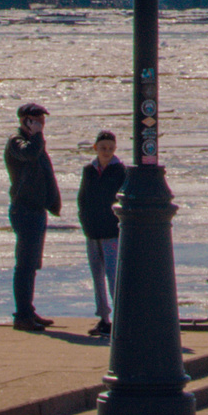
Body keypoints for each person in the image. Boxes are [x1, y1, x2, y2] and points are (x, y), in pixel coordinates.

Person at [4, 102, 62, 330]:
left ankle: (28, 310)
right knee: (25, 264)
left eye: (42, 120)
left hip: (37, 209)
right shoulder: (16, 142)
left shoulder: (36, 143)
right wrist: (37, 136)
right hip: (24, 209)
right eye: (36, 120)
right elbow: (28, 155)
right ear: (24, 121)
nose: (41, 124)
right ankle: (22, 316)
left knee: (32, 264)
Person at [77, 130, 126, 338]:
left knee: (114, 276)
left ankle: (121, 320)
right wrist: (84, 219)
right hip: (92, 231)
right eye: (103, 148)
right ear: (96, 148)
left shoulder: (121, 171)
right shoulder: (89, 170)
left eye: (110, 148)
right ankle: (104, 319)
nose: (106, 151)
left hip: (112, 232)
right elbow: (83, 197)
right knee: (96, 276)